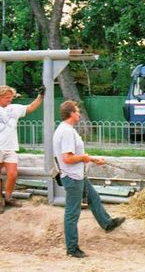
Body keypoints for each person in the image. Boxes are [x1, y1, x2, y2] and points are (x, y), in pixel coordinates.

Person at [53, 100, 125, 258]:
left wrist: (91, 159)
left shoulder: (66, 130)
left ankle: (107, 223)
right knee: (72, 213)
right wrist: (87, 158)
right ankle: (72, 248)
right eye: (77, 111)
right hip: (72, 177)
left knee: (93, 197)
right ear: (71, 113)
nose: (79, 113)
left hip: (77, 175)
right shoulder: (66, 132)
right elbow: (68, 158)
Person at [0, 85, 45, 214]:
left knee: (12, 174)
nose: (10, 100)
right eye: (7, 97)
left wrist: (40, 96)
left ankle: (8, 197)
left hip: (10, 148)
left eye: (11, 97)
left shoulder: (14, 109)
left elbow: (31, 107)